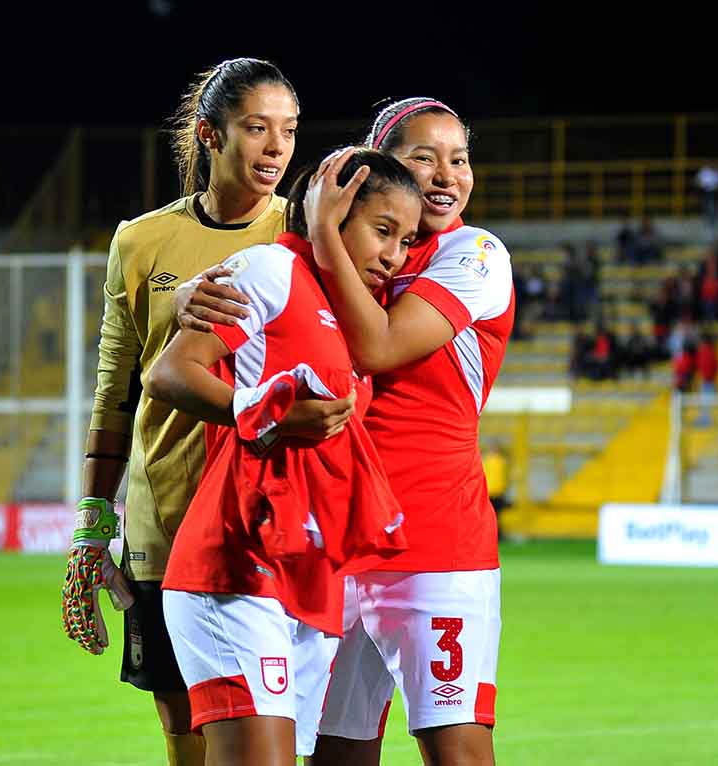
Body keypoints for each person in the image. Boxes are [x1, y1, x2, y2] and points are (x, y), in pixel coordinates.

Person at [177, 99, 514, 766]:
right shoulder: (361, 248)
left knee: (457, 750)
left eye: (460, 158)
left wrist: (329, 235)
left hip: (436, 544)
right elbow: (269, 278)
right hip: (333, 540)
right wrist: (191, 294)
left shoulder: (473, 254)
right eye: (423, 157)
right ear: (375, 170)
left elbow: (380, 347)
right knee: (336, 752)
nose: (445, 174)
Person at [59, 57, 302, 766]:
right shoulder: (141, 241)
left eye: (287, 130)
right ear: (209, 135)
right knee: (184, 733)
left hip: (270, 519)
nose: (275, 148)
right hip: (166, 514)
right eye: (255, 128)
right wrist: (90, 528)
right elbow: (115, 392)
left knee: (281, 726)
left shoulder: (310, 236)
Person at [147, 150, 419, 763]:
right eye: (383, 231)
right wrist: (266, 414)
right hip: (238, 563)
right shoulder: (272, 268)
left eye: (406, 240)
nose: (394, 257)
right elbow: (170, 373)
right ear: (331, 213)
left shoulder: (361, 319)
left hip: (311, 578)